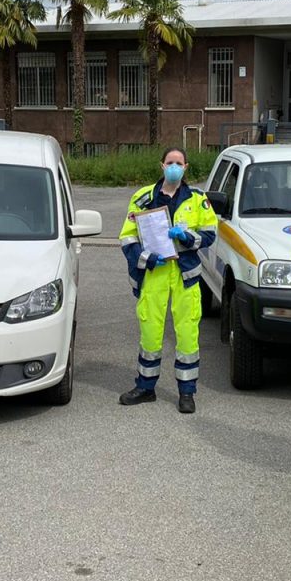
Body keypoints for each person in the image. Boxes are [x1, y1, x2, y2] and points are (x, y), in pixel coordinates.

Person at [118, 147, 218, 413]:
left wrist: (187, 238)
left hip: (185, 275)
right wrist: (146, 258)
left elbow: (209, 234)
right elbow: (127, 238)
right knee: (150, 333)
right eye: (169, 162)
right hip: (155, 273)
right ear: (161, 165)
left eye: (179, 163)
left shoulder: (198, 199)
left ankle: (187, 393)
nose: (174, 166)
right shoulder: (143, 198)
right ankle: (145, 387)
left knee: (187, 335)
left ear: (186, 167)